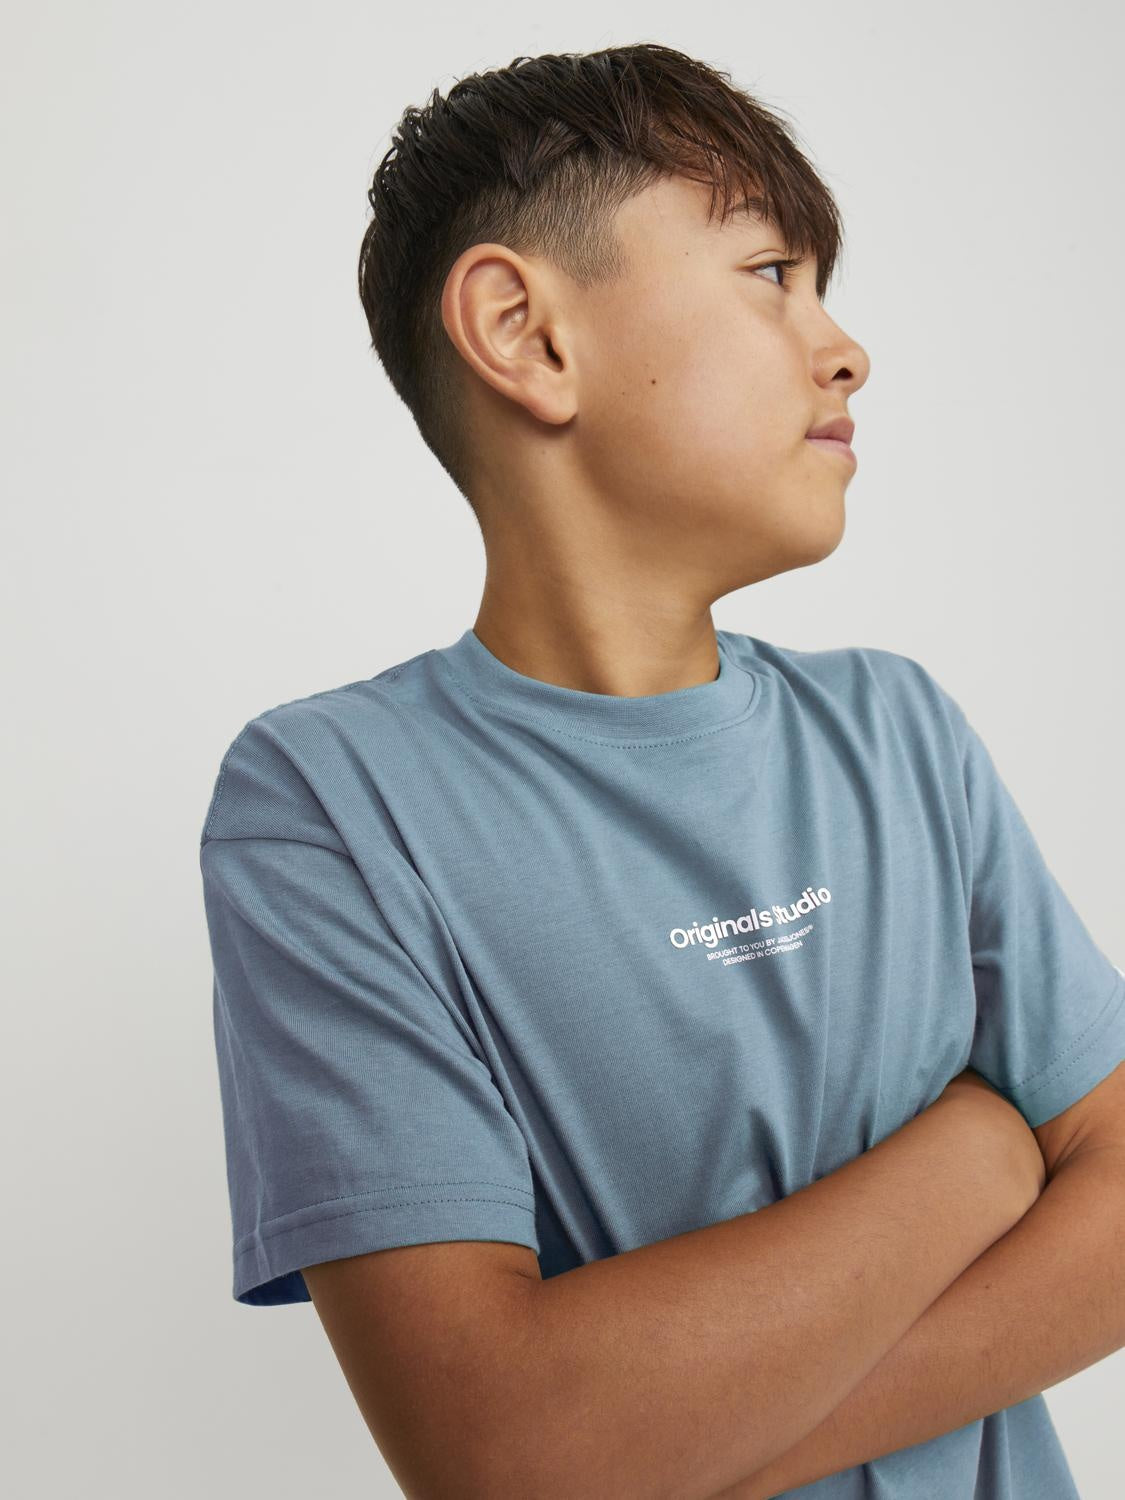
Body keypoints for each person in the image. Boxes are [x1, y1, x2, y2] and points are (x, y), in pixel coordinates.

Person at [198, 41, 1125, 1499]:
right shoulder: (327, 806)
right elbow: (503, 1448)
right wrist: (982, 1151)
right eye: (772, 274)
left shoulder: (900, 733)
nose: (845, 349)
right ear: (526, 334)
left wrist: (679, 1450)